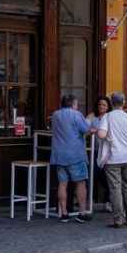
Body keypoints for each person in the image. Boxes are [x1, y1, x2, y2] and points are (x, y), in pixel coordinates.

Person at [94, 92, 127, 228]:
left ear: (111, 103)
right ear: (124, 102)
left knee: (115, 188)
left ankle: (118, 219)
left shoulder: (107, 117)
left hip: (114, 157)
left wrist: (104, 133)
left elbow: (102, 134)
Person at [48, 94, 93, 223]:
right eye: (76, 104)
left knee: (62, 184)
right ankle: (82, 213)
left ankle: (64, 213)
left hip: (59, 155)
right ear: (73, 104)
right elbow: (86, 130)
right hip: (75, 155)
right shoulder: (76, 114)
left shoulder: (56, 115)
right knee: (80, 183)